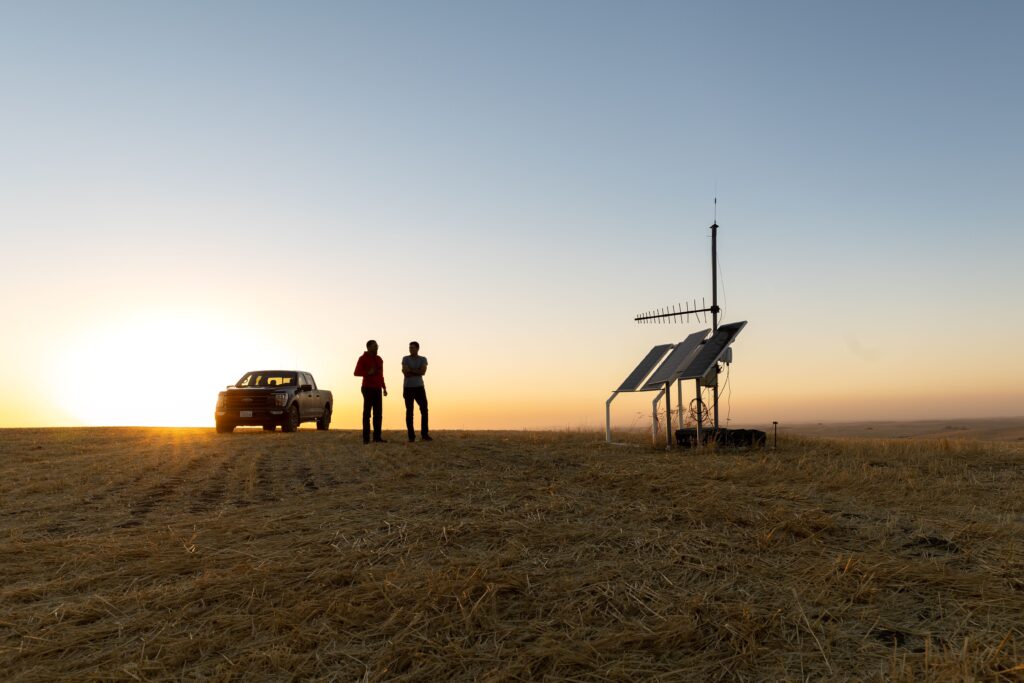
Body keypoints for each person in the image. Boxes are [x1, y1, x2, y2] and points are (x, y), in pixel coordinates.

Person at [354, 339, 387, 444]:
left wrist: (384, 387)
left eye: (377, 346)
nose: (376, 348)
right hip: (367, 388)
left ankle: (377, 437)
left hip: (377, 388)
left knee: (378, 413)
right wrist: (368, 372)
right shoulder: (362, 358)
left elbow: (381, 375)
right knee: (367, 413)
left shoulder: (379, 359)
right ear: (368, 347)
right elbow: (356, 372)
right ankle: (366, 438)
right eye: (374, 346)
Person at [401, 341, 431, 442]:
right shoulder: (405, 358)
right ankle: (411, 436)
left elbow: (423, 372)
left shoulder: (423, 359)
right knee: (409, 412)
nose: (411, 349)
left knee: (424, 410)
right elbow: (406, 372)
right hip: (408, 388)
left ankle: (424, 434)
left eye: (413, 348)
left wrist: (411, 370)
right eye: (410, 348)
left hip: (419, 388)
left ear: (418, 348)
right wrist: (416, 371)